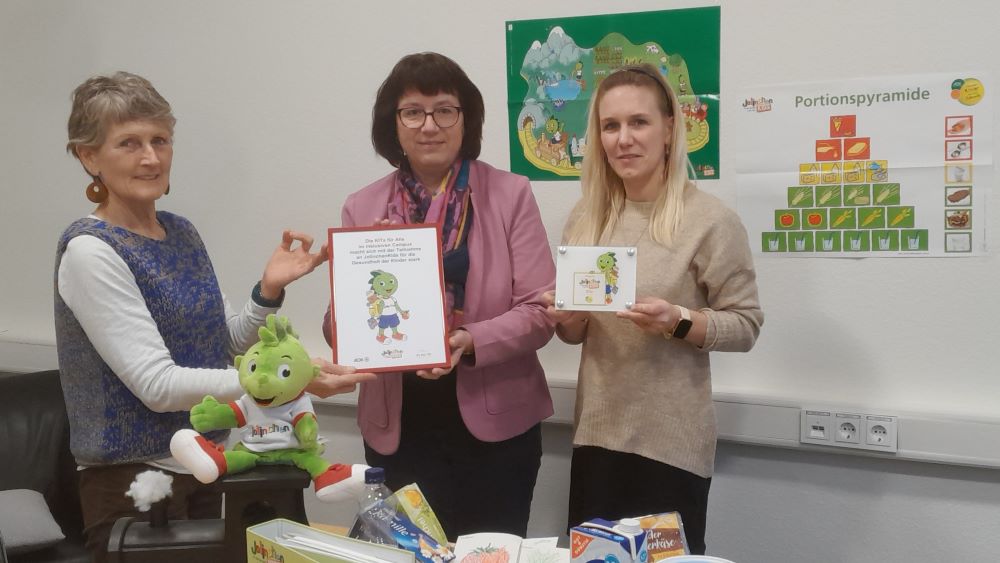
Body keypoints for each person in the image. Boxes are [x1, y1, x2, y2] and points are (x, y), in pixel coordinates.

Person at [55, 71, 374, 562]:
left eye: (160, 139)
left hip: (208, 465)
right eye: (129, 143)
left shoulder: (180, 232)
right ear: (88, 156)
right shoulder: (89, 252)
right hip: (133, 483)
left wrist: (268, 290)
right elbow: (158, 385)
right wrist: (290, 383)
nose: (151, 157)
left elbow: (225, 343)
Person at [323, 52, 556, 537]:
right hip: (400, 426)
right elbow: (337, 326)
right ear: (395, 123)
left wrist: (468, 339)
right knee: (407, 552)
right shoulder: (363, 206)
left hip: (497, 426)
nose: (429, 125)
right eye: (413, 111)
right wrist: (368, 267)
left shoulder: (511, 194)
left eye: (444, 109)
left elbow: (540, 310)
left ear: (464, 119)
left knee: (489, 551)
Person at [543, 64, 763, 554]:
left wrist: (678, 321)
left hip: (671, 446)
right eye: (610, 125)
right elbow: (578, 334)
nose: (624, 139)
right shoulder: (586, 217)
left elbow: (746, 324)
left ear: (669, 129)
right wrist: (566, 318)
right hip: (597, 436)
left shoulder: (711, 221)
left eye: (638, 122)